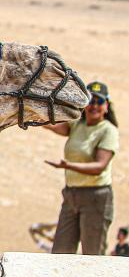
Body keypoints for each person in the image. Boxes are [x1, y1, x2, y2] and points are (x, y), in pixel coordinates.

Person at [44, 80, 119, 255]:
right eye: (90, 101)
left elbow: (100, 166)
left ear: (106, 106)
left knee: (92, 254)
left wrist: (67, 165)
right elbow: (54, 125)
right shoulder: (77, 124)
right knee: (61, 252)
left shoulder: (108, 130)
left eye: (99, 102)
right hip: (71, 195)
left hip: (96, 197)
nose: (94, 106)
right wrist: (31, 116)